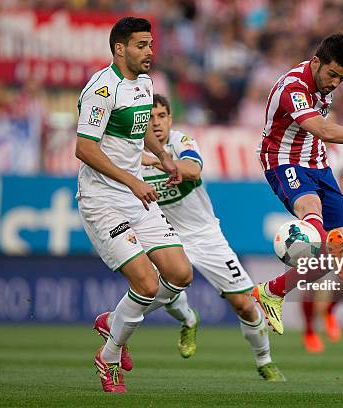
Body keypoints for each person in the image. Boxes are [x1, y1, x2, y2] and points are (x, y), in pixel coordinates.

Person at [75, 16, 194, 393]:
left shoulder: (145, 83)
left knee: (180, 274)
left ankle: (114, 319)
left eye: (151, 44)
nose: (149, 52)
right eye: (141, 45)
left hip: (133, 195)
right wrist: (132, 180)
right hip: (103, 200)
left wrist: (163, 155)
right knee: (145, 280)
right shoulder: (101, 90)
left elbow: (140, 128)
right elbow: (84, 148)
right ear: (120, 48)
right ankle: (109, 357)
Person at [253, 33, 343, 335]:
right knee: (317, 227)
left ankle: (272, 291)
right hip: (284, 161)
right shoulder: (293, 87)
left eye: (342, 79)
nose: (335, 83)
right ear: (316, 62)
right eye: (332, 74)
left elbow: (320, 134)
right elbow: (322, 129)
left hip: (319, 164)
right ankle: (291, 306)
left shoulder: (325, 86)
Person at [139, 93, 285, 381]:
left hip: (205, 235)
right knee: (158, 288)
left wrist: (157, 163)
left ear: (170, 119)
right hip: (164, 235)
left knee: (244, 303)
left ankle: (264, 360)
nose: (156, 123)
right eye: (150, 118)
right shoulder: (131, 152)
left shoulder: (181, 142)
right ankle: (189, 319)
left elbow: (193, 169)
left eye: (162, 116)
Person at [302, 144, 343, 352]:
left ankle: (329, 311)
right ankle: (310, 330)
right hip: (314, 218)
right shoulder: (303, 150)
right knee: (316, 281)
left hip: (334, 218)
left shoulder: (340, 153)